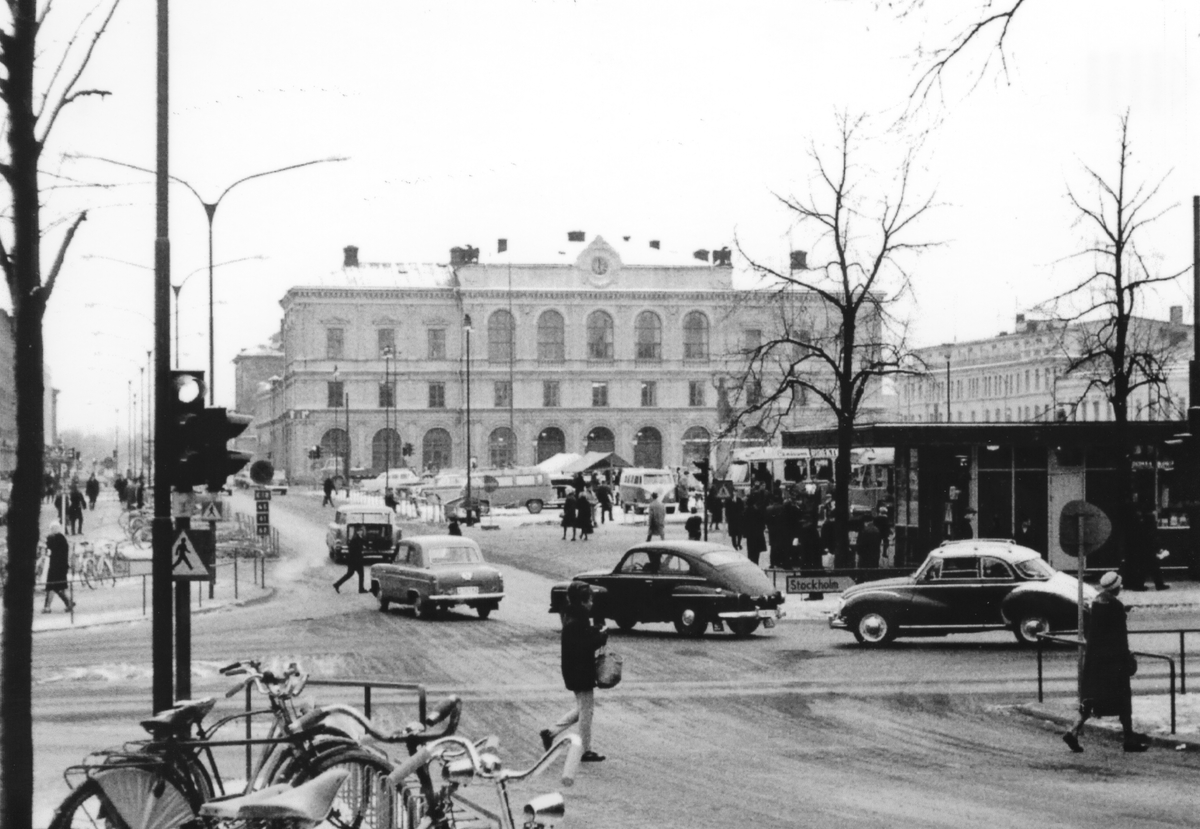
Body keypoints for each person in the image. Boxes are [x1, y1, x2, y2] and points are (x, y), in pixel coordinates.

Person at [1062, 571, 1148, 753]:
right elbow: (1119, 637)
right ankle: (1129, 739)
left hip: (1095, 661)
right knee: (1123, 699)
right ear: (1116, 587)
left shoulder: (1096, 603)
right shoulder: (1115, 606)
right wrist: (1128, 657)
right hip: (1113, 663)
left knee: (1092, 699)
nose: (1121, 587)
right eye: (1120, 585)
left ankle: (1073, 731)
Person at [539, 581, 608, 763]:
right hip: (580, 669)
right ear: (583, 601)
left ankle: (551, 732)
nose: (592, 603)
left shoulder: (572, 615)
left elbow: (579, 638)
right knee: (587, 711)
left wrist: (594, 631)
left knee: (583, 708)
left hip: (573, 668)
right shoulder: (579, 619)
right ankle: (585, 750)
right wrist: (601, 637)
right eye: (590, 600)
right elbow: (585, 644)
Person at [42, 522, 73, 613]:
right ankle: (69, 603)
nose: (51, 530)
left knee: (52, 586)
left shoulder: (53, 538)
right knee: (59, 586)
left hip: (55, 566)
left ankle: (47, 607)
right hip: (62, 566)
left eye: (52, 528)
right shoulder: (62, 538)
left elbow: (48, 547)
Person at [333, 528, 368, 593]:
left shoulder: (359, 538)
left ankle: (337, 584)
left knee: (351, 574)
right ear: (357, 532)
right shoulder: (355, 539)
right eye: (360, 531)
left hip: (354, 560)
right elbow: (352, 550)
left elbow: (364, 543)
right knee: (359, 574)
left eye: (361, 531)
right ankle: (361, 589)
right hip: (355, 560)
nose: (361, 532)